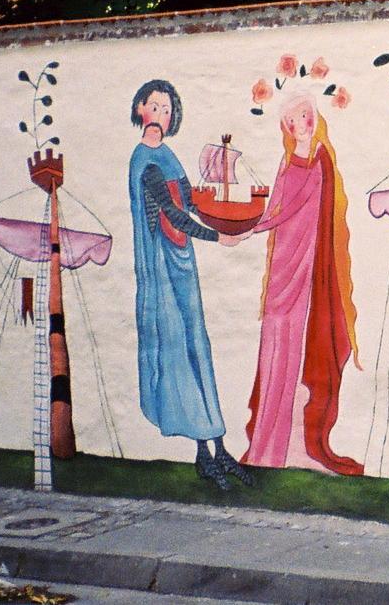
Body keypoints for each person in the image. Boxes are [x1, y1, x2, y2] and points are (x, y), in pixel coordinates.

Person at [126, 79, 252, 490]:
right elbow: (172, 214)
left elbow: (193, 202)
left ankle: (219, 448)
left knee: (199, 347)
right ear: (140, 109)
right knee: (180, 353)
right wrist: (219, 237)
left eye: (167, 109)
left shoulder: (169, 155)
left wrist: (232, 214)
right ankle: (203, 452)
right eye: (154, 106)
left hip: (184, 261)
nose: (160, 115)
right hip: (162, 266)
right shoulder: (144, 162)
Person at [240, 94, 364, 475]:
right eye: (294, 119)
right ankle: (266, 444)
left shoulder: (321, 159)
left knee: (295, 344)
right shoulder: (287, 161)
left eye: (306, 115)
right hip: (283, 264)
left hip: (308, 261)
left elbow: (297, 206)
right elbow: (276, 205)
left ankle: (290, 443)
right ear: (287, 127)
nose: (303, 123)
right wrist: (250, 225)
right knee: (275, 344)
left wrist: (255, 226)